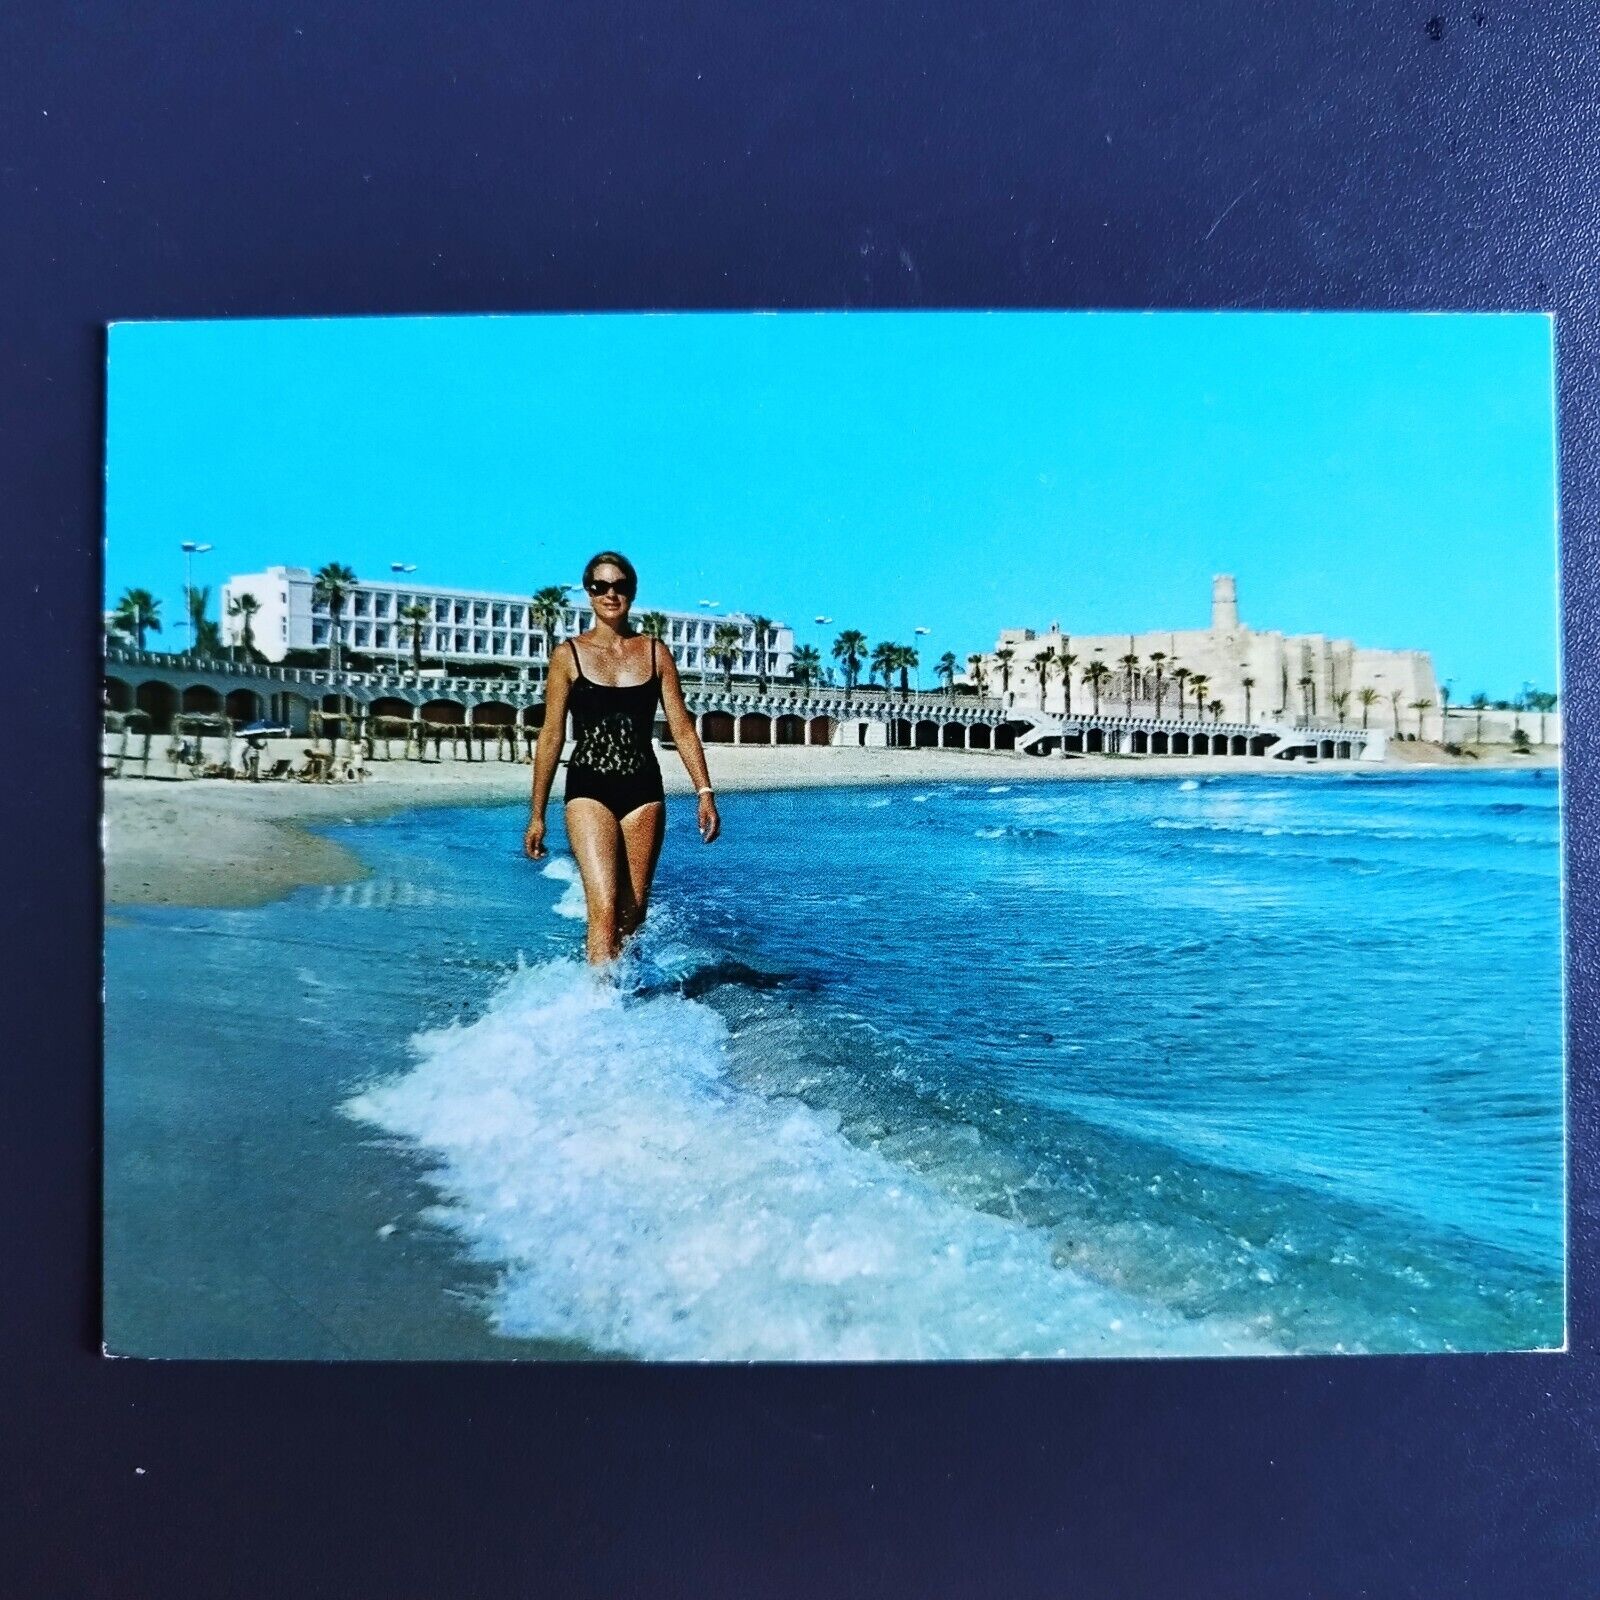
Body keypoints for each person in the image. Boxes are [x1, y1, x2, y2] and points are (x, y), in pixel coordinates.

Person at [524, 551, 721, 963]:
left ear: (632, 592)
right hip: (587, 788)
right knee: (604, 908)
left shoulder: (654, 653)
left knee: (633, 915)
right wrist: (537, 814)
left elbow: (681, 727)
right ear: (589, 593)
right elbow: (551, 735)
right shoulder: (567, 655)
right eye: (601, 586)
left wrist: (704, 791)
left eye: (620, 586)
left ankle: (625, 998)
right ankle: (600, 1009)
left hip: (643, 789)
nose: (611, 594)